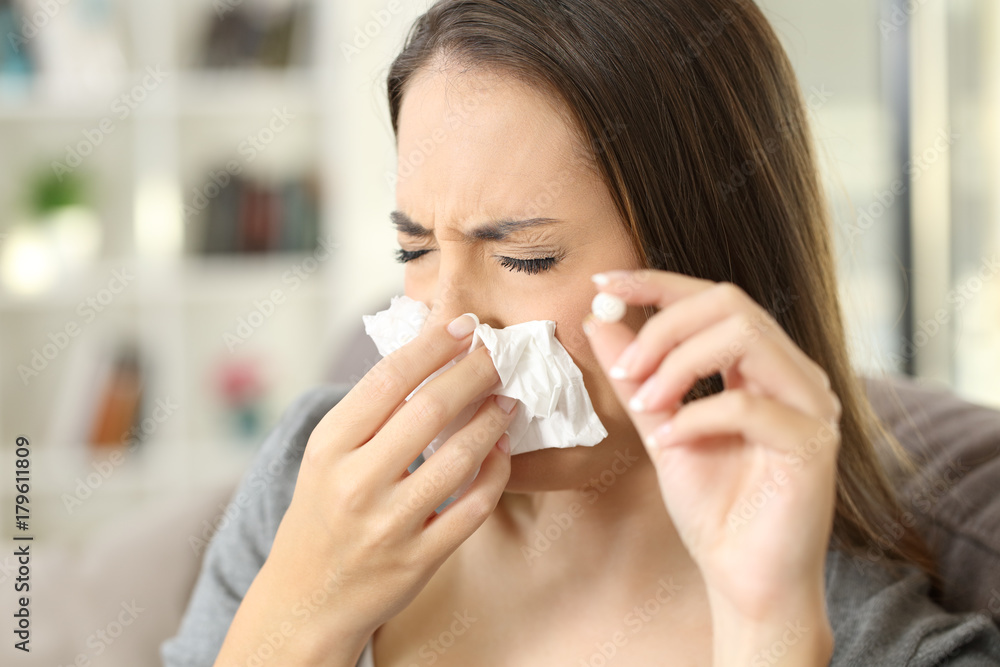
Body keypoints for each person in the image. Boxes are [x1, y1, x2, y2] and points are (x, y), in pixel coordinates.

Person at [162, 0, 1000, 665]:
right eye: (412, 248)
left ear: (705, 265)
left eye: (526, 257)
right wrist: (298, 617)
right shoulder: (312, 480)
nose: (447, 321)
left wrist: (770, 631)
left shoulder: (863, 634)